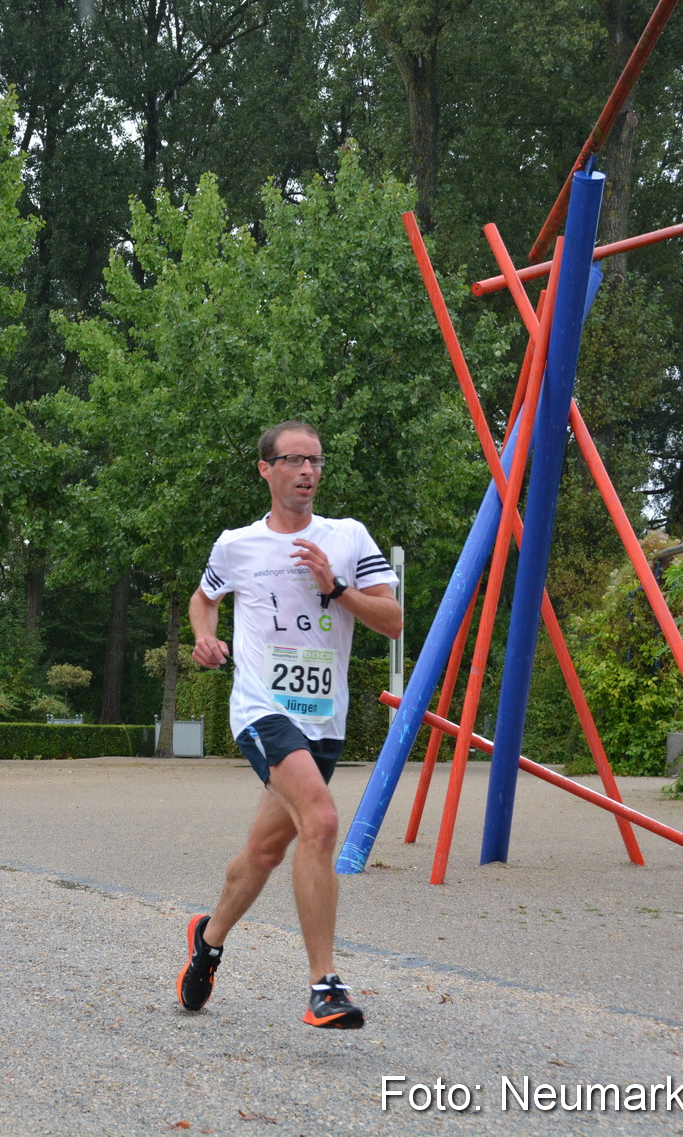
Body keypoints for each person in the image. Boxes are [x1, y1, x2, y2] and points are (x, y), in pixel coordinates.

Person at [179, 420, 402, 1030]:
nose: (308, 471)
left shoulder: (349, 538)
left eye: (316, 461)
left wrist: (338, 590)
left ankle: (209, 938)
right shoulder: (238, 545)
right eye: (294, 460)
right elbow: (205, 597)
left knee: (267, 848)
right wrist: (204, 636)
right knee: (323, 820)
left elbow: (393, 620)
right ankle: (325, 985)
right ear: (266, 470)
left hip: (323, 719)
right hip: (260, 708)